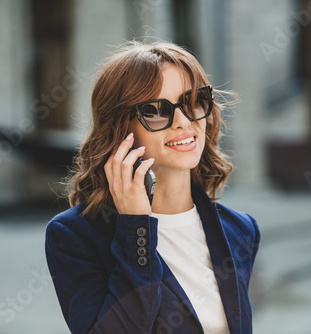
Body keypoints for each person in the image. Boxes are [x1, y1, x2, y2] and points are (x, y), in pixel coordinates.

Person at [45, 41, 260, 334]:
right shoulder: (75, 236)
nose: (184, 122)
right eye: (157, 110)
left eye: (194, 100)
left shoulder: (241, 229)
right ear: (120, 129)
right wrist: (135, 227)